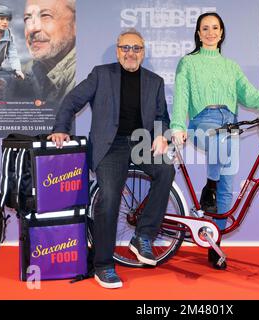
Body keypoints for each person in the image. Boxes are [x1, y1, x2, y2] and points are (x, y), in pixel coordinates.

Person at [48, 29, 175, 289]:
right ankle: (103, 265)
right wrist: (61, 127)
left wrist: (162, 136)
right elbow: (72, 100)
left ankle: (144, 236)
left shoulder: (155, 81)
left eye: (136, 48)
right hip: (111, 145)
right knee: (109, 197)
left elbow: (162, 116)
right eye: (125, 48)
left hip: (141, 141)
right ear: (118, 51)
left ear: (143, 51)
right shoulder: (101, 74)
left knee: (166, 171)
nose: (131, 53)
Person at [170, 12, 259, 270]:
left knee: (228, 184)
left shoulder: (231, 67)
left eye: (215, 27)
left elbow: (251, 96)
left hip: (230, 122)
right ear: (198, 33)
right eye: (205, 28)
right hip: (203, 121)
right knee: (221, 152)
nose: (210, 32)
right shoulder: (188, 63)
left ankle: (215, 244)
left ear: (222, 32)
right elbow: (181, 95)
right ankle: (210, 185)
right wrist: (178, 126)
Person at [15, 0, 76, 105]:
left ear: (75, 24)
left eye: (45, 16)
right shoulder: (26, 71)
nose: (32, 28)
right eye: (27, 18)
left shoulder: (86, 76)